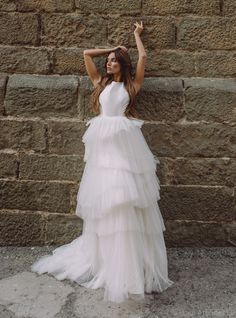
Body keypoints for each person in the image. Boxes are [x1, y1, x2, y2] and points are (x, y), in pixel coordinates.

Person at [31, 21, 174, 303]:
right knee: (105, 199)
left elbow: (143, 58)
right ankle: (106, 258)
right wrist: (111, 47)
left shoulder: (132, 86)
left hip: (125, 148)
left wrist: (135, 37)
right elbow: (86, 54)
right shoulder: (100, 83)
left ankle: (129, 264)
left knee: (124, 197)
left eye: (113, 61)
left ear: (122, 64)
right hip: (102, 150)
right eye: (108, 61)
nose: (108, 63)